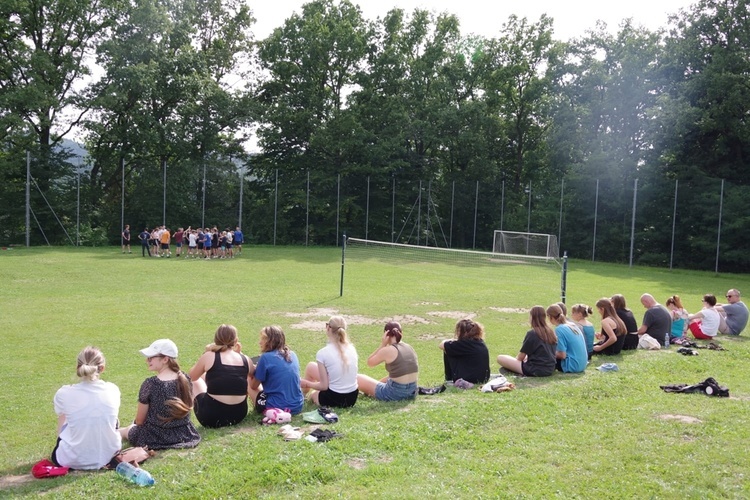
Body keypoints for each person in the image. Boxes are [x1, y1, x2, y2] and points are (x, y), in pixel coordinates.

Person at [119, 339, 200, 449]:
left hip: (154, 437)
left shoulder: (150, 384)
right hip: (184, 434)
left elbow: (139, 421)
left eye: (151, 357)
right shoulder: (185, 379)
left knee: (125, 430)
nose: (147, 361)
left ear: (165, 359)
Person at [51, 346, 121, 469]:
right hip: (109, 456)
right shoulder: (113, 389)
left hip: (71, 459)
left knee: (65, 416)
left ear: (78, 367)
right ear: (102, 368)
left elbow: (62, 419)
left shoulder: (64, 393)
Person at [189, 325, 254, 428]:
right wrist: (240, 353)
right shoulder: (245, 359)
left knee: (195, 382)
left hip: (212, 417)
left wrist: (204, 354)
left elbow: (191, 377)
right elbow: (253, 375)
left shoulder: (209, 356)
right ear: (236, 340)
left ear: (215, 340)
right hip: (238, 415)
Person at [301, 316, 359, 408]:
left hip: (334, 397)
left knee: (313, 395)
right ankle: (303, 395)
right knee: (311, 366)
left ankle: (302, 396)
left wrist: (306, 383)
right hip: (352, 397)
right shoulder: (352, 348)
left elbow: (324, 386)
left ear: (328, 328)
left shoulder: (323, 353)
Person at [248, 326, 304, 415]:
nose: (260, 342)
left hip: (277, 407)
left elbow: (253, 386)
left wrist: (252, 372)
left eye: (263, 339)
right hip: (297, 406)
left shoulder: (266, 358)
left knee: (247, 380)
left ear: (269, 341)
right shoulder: (292, 354)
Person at [357, 321, 419, 401]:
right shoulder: (409, 347)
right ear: (401, 333)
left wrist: (382, 345)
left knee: (358, 378)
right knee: (390, 377)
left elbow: (370, 363)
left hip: (395, 394)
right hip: (412, 392)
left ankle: (373, 390)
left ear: (386, 334)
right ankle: (373, 389)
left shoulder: (388, 350)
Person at [497, 306, 557, 377]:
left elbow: (520, 357)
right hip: (550, 368)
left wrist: (515, 363)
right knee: (525, 358)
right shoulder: (551, 332)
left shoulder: (532, 333)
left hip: (535, 369)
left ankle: (516, 370)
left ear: (532, 317)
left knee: (500, 358)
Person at [439, 318, 490, 384]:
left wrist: (452, 340)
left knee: (447, 350)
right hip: (483, 378)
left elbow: (441, 345)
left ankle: (449, 378)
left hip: (469, 379)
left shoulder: (463, 344)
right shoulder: (479, 342)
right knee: (450, 348)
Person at [547, 304, 587, 373]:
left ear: (551, 317)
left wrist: (548, 352)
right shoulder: (573, 325)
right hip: (582, 364)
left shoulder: (559, 329)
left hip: (571, 365)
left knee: (544, 355)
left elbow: (562, 355)